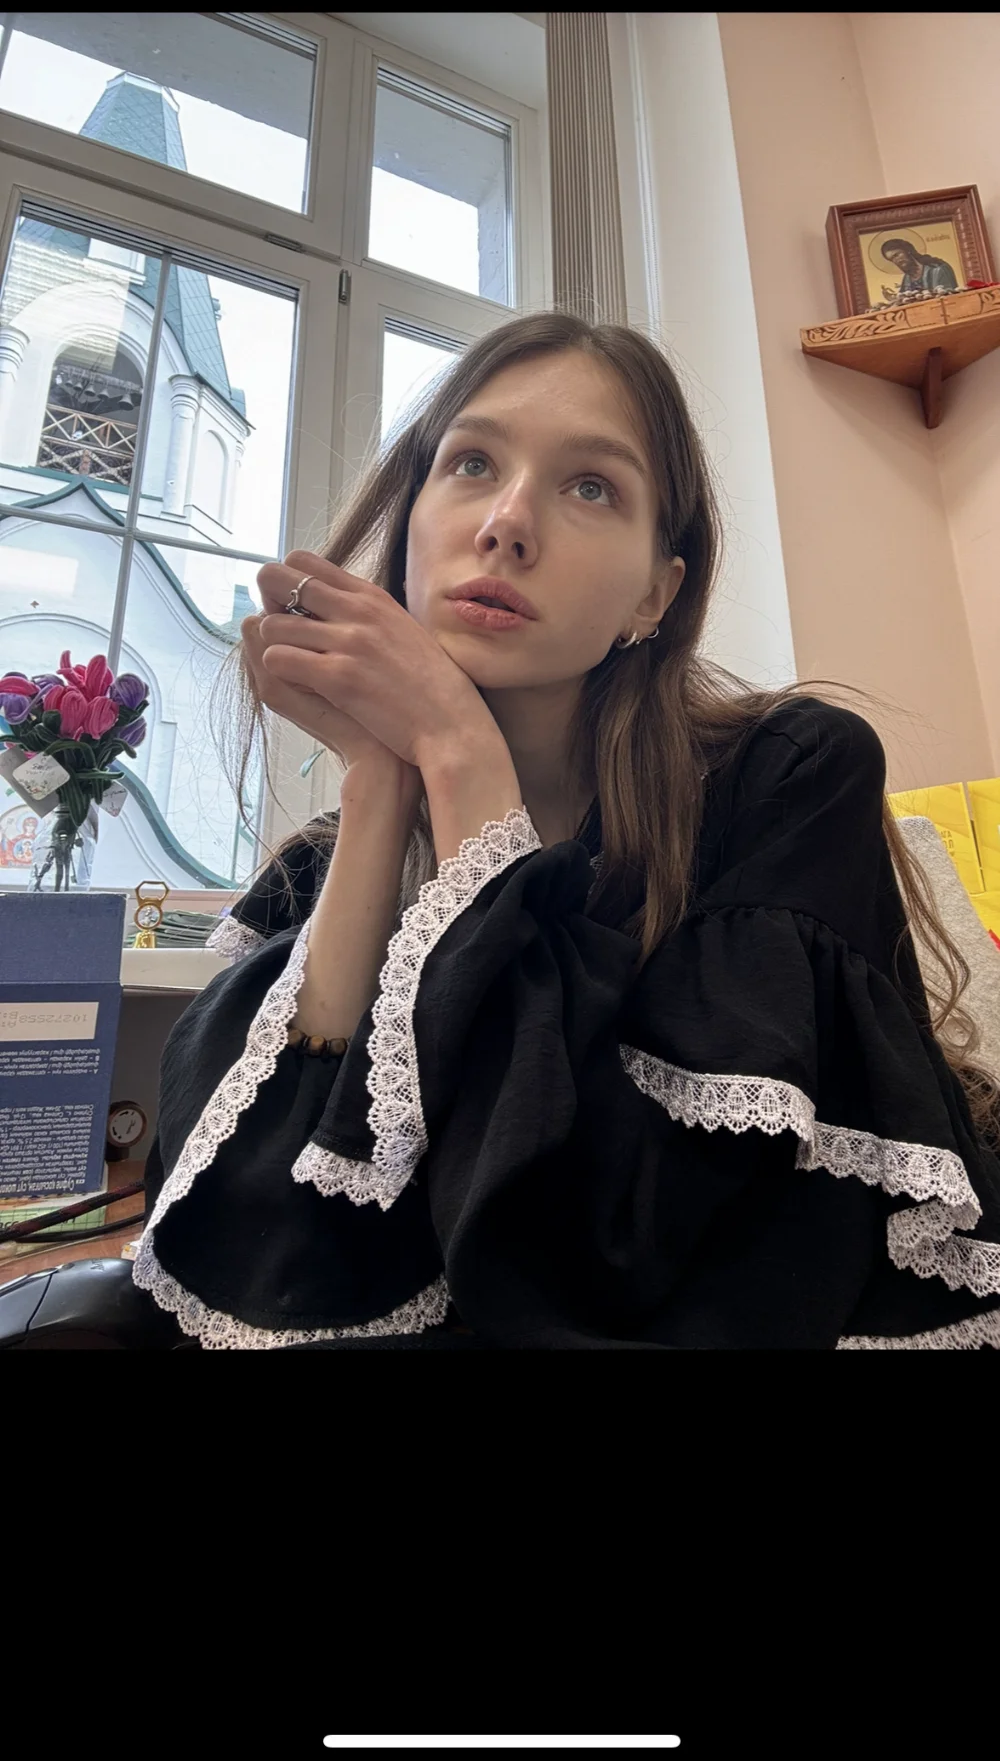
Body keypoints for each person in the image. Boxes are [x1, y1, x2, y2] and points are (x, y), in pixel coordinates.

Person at [133, 311, 1000, 1349]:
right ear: (410, 529)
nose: (507, 523)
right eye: (471, 463)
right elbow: (258, 1246)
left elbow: (629, 1260)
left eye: (590, 486)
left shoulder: (790, 779)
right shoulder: (318, 865)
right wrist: (381, 781)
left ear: (655, 594)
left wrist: (461, 757)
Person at [880, 238, 958, 300]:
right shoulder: (907, 278)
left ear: (907, 250)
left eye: (897, 255)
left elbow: (949, 297)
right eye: (892, 259)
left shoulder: (937, 269)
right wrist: (893, 299)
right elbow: (905, 300)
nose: (896, 260)